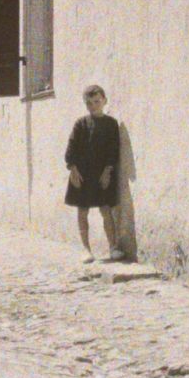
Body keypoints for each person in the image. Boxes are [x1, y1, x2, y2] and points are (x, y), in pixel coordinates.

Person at [64, 84, 124, 263]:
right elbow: (71, 149)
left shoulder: (111, 123)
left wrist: (107, 172)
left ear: (104, 101)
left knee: (106, 210)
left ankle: (113, 247)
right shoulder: (80, 124)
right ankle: (86, 249)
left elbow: (114, 150)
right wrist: (73, 169)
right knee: (83, 211)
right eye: (89, 103)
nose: (93, 106)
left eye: (97, 101)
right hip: (82, 174)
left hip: (101, 174)